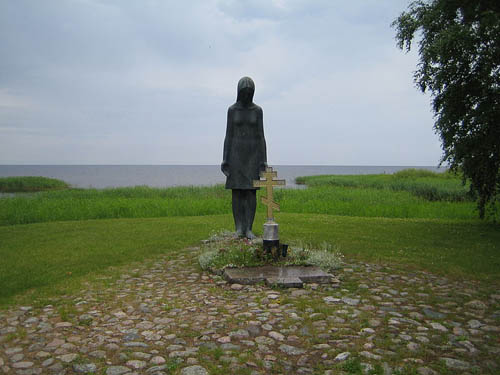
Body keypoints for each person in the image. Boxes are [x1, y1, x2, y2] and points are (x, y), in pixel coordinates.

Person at [222, 76, 267, 239]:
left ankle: (248, 228)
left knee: (250, 192)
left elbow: (261, 136)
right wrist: (225, 159)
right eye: (244, 92)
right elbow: (228, 135)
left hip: (253, 155)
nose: (247, 95)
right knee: (237, 192)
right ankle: (239, 228)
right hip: (235, 155)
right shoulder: (232, 110)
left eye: (250, 93)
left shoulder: (258, 111)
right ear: (239, 92)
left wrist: (263, 160)